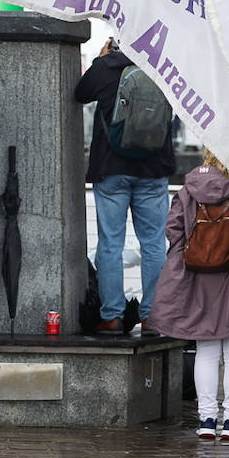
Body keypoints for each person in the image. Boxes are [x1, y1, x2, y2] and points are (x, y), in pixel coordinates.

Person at [147, 151, 229, 442]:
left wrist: (190, 252)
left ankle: (207, 419)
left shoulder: (190, 188)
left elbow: (173, 228)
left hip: (197, 279)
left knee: (206, 351)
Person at [74, 37, 174, 335]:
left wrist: (100, 59)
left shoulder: (106, 67)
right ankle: (152, 316)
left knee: (110, 244)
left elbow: (80, 93)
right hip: (154, 169)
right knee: (155, 244)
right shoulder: (163, 68)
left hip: (112, 169)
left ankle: (113, 317)